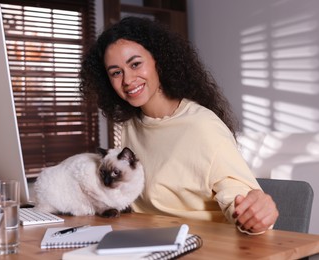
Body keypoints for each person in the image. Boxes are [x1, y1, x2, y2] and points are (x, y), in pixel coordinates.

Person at [79, 16, 278, 234]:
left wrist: (255, 211)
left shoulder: (202, 126)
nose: (127, 80)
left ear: (158, 60)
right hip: (144, 242)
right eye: (116, 72)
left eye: (135, 64)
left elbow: (238, 198)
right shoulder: (130, 125)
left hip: (203, 245)